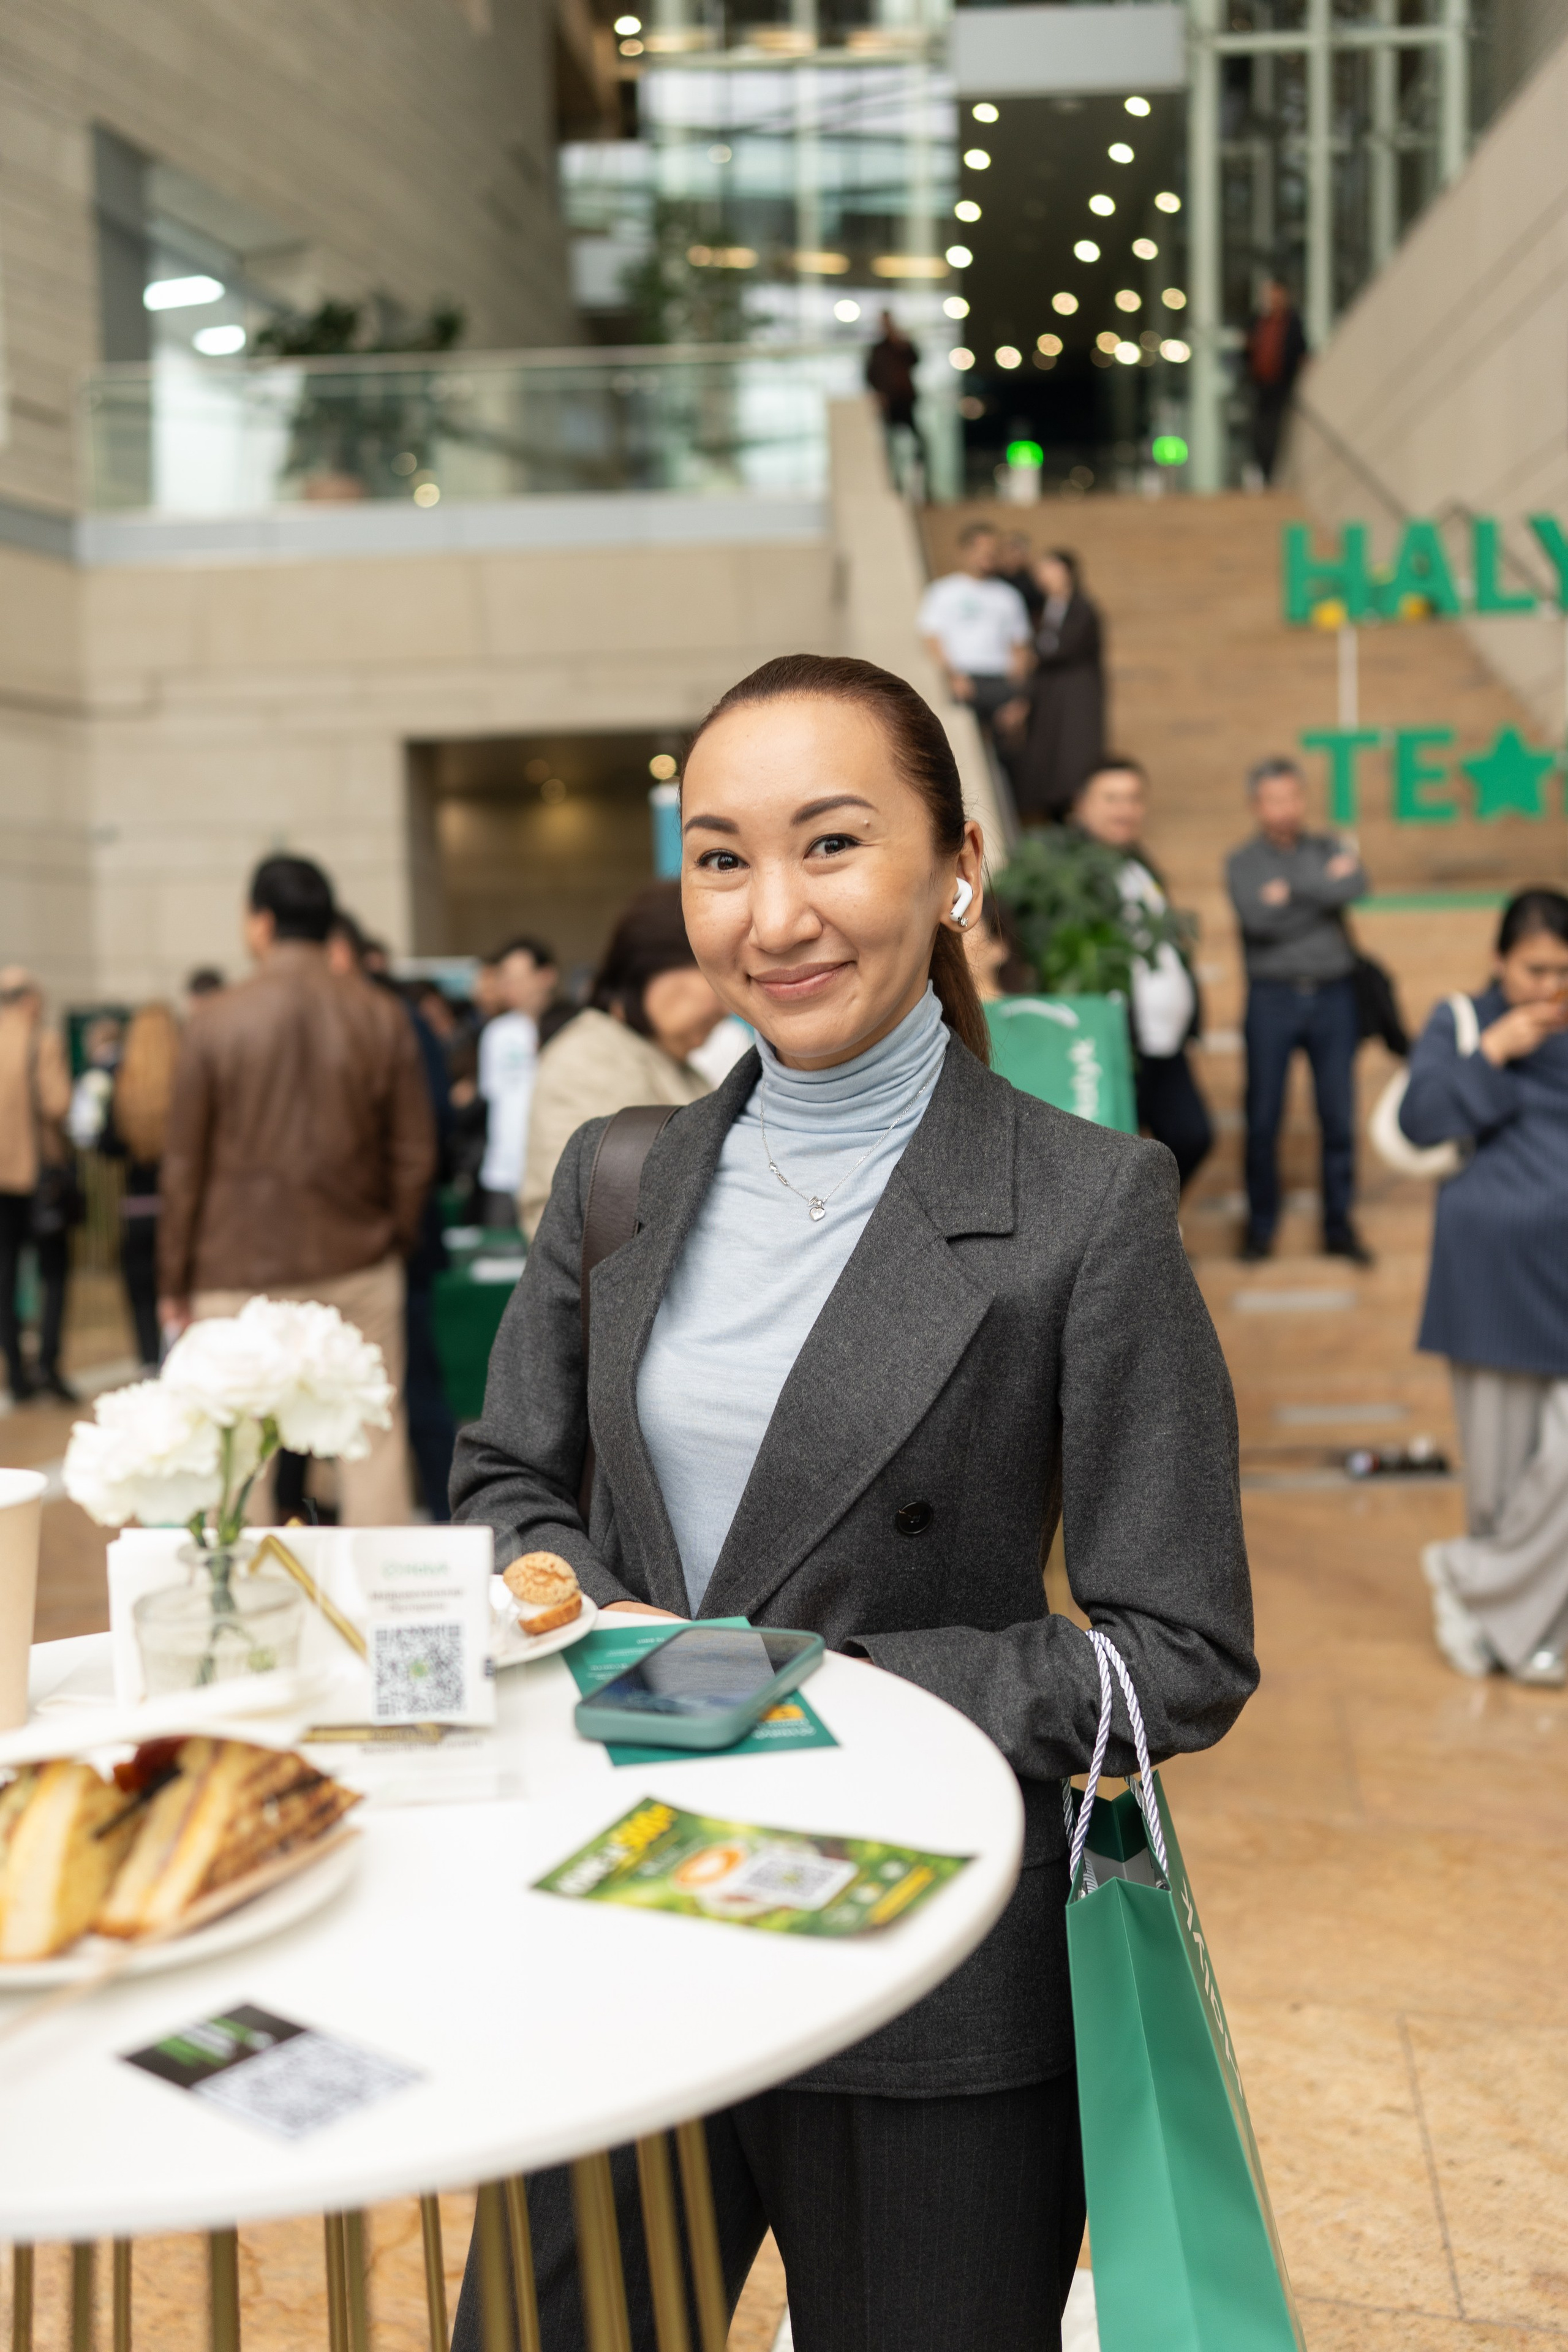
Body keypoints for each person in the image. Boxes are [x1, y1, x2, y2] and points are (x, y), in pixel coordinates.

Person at [449, 652, 1256, 2352]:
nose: (773, 915)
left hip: (927, 1973)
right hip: (628, 1920)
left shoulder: (1085, 1207)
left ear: (956, 866)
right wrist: (592, 1618)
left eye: (831, 843)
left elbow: (1176, 1651)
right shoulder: (620, 1179)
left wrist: (802, 1683)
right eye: (722, 858)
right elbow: (510, 1480)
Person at [157, 855, 435, 1524]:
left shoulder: (215, 1020)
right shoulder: (381, 1015)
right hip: (358, 1261)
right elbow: (414, 1153)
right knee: (372, 1441)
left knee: (233, 1452)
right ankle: (378, 1587)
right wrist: (391, 1236)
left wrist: (174, 1279)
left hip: (234, 1269)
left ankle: (238, 1586)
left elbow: (184, 1166)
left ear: (261, 924)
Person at [1398, 889, 1568, 1687]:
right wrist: (1493, 1051)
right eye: (1536, 969)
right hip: (1495, 1281)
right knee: (1500, 1482)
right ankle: (1520, 1641)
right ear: (1500, 961)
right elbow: (1421, 1119)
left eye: (1565, 971)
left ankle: (1466, 1576)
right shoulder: (1463, 1021)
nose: (1551, 987)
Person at [1226, 758, 1371, 1264]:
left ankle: (1339, 1227)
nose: (1286, 808)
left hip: (1335, 997)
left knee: (1339, 1117)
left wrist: (1290, 893)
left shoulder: (1330, 846)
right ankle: (1260, 1227)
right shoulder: (1243, 861)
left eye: (1293, 796)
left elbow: (1357, 886)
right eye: (1274, 799)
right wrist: (1321, 892)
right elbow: (1257, 920)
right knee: (1263, 1119)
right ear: (1256, 805)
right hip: (1272, 1000)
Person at [519, 883, 723, 1238]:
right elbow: (589, 1227)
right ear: (653, 967)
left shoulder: (670, 1061)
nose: (728, 1005)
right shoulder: (588, 1058)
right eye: (715, 973)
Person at [1071, 758, 1212, 1190]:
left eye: (1134, 799)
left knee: (1192, 1137)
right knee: (1112, 1157)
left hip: (1166, 1041)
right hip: (1116, 1041)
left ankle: (1147, 1221)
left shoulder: (1139, 865)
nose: (1125, 810)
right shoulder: (1068, 871)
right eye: (1112, 799)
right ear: (1081, 806)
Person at [0, 967, 74, 1403]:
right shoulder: (42, 1041)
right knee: (55, 1273)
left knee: (5, 1274)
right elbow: (58, 1102)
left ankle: (15, 1370)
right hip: (38, 1177)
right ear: (29, 999)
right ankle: (47, 1363)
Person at [1009, 549, 1106, 825]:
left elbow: (1065, 647)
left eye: (1050, 569)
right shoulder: (1045, 609)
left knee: (1072, 759)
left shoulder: (1082, 608)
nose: (1043, 576)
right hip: (1049, 697)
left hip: (1073, 696)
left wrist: (1032, 655)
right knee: (1046, 760)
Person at [110, 1003, 181, 1372]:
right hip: (177, 1205)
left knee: (140, 1292)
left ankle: (149, 1360)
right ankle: (177, 1359)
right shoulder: (185, 1080)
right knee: (177, 1290)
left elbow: (107, 1143)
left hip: (137, 1203)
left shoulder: (122, 1085)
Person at [916, 522, 1033, 737]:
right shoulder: (943, 591)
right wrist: (952, 676)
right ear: (966, 551)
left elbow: (1019, 646)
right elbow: (932, 639)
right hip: (964, 680)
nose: (988, 556)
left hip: (1001, 682)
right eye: (982, 550)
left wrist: (1018, 695)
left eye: (992, 551)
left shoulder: (1009, 596)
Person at [477, 935, 558, 1229]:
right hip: (504, 1173)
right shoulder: (496, 1033)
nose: (510, 987)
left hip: (555, 1172)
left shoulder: (572, 1028)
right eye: (506, 979)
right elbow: (492, 1095)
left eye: (518, 978)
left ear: (546, 976)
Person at [1245, 276, 1307, 486]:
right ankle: (1262, 469)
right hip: (1259, 385)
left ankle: (1270, 473)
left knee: (1274, 431)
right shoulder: (1257, 321)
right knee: (1257, 431)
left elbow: (1301, 350)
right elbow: (1249, 350)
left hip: (1281, 384)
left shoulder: (1293, 322)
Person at [864, 310, 925, 493]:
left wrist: (902, 343)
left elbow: (916, 360)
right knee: (890, 444)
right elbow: (870, 375)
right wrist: (880, 395)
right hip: (889, 404)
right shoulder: (878, 350)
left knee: (918, 441)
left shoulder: (901, 345)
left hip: (906, 401)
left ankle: (921, 478)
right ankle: (894, 482)